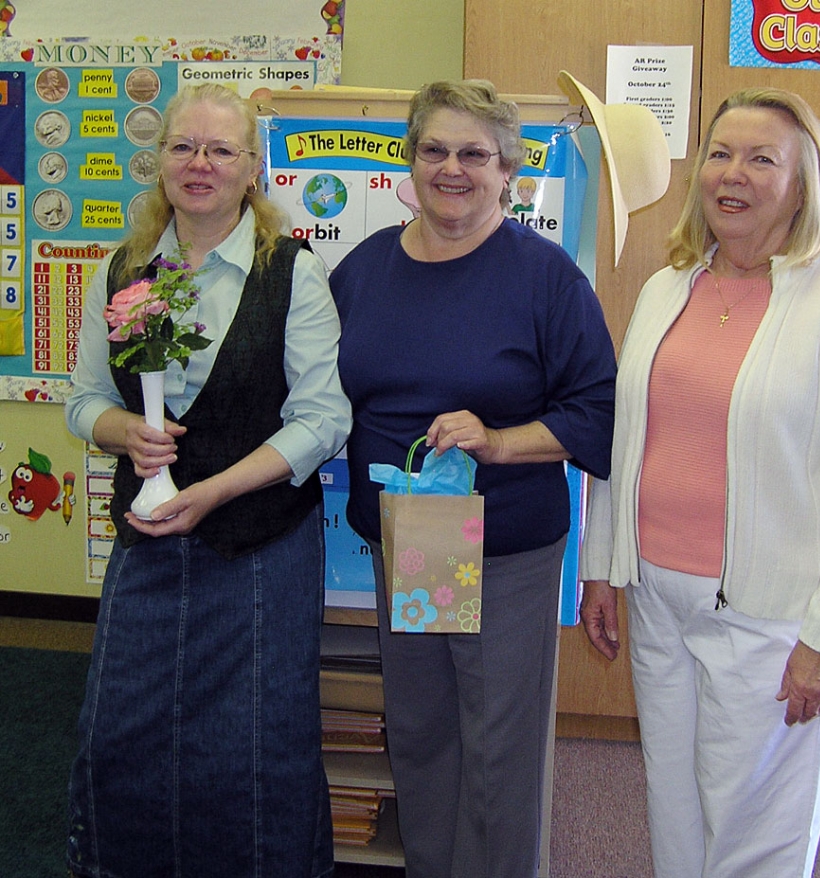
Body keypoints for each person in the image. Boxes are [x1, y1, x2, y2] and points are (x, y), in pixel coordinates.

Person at [580, 87, 820, 878]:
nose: (735, 174)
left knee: (757, 830)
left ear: (804, 184)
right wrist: (602, 563)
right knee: (677, 808)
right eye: (721, 154)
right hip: (659, 597)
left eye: (764, 159)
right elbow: (630, 438)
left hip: (772, 621)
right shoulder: (670, 288)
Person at [329, 79, 616, 877]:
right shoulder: (363, 269)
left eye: (473, 154)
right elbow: (323, 391)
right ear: (410, 161)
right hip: (411, 542)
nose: (451, 168)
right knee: (423, 729)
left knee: (499, 742)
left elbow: (595, 413)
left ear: (508, 173)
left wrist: (497, 440)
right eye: (434, 150)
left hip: (505, 550)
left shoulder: (546, 277)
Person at [64, 83, 351, 878]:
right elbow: (83, 400)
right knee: (118, 734)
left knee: (252, 749)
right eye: (183, 147)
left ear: (252, 168)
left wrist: (216, 488)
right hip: (146, 543)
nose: (200, 164)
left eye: (221, 150)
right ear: (159, 162)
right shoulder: (122, 270)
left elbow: (324, 421)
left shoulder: (294, 275)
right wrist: (126, 434)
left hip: (258, 546)